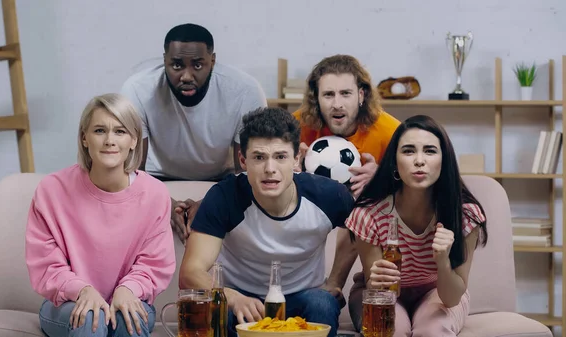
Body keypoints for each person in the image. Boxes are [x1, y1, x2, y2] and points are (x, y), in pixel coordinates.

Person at [178, 107, 355, 337]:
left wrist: (335, 280)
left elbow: (360, 231)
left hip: (302, 296)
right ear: (243, 160)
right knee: (218, 310)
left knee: (322, 304)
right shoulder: (225, 196)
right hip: (240, 299)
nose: (270, 169)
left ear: (296, 159)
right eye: (259, 157)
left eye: (280, 157)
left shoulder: (328, 195)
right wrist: (232, 297)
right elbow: (190, 272)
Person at [25, 93, 176, 337]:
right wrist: (83, 290)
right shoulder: (51, 190)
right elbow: (46, 265)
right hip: (67, 304)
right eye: (99, 130)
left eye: (120, 131)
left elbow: (154, 263)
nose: (109, 140)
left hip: (130, 299)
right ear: (84, 138)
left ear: (134, 140)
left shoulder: (155, 194)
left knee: (129, 320)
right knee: (91, 319)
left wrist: (128, 289)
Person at [121, 23, 267, 245]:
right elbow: (130, 170)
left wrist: (212, 202)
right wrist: (162, 203)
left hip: (221, 179)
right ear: (164, 60)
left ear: (213, 60)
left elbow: (250, 171)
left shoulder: (245, 91)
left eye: (198, 65)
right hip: (158, 178)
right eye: (177, 65)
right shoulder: (138, 89)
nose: (187, 76)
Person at [344, 114, 488, 336]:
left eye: (430, 151)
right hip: (381, 293)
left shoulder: (465, 215)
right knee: (389, 330)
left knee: (433, 330)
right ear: (394, 161)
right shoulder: (368, 214)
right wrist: (378, 279)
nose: (419, 160)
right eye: (408, 151)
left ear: (444, 160)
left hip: (436, 292)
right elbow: (379, 291)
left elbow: (450, 299)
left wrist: (442, 262)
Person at [292, 54, 401, 307]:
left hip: (366, 210)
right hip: (308, 204)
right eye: (328, 95)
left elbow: (421, 179)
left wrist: (383, 176)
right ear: (316, 98)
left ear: (362, 95)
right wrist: (291, 166)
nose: (337, 104)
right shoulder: (297, 126)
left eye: (346, 94)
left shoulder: (390, 131)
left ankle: (334, 284)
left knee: (364, 202)